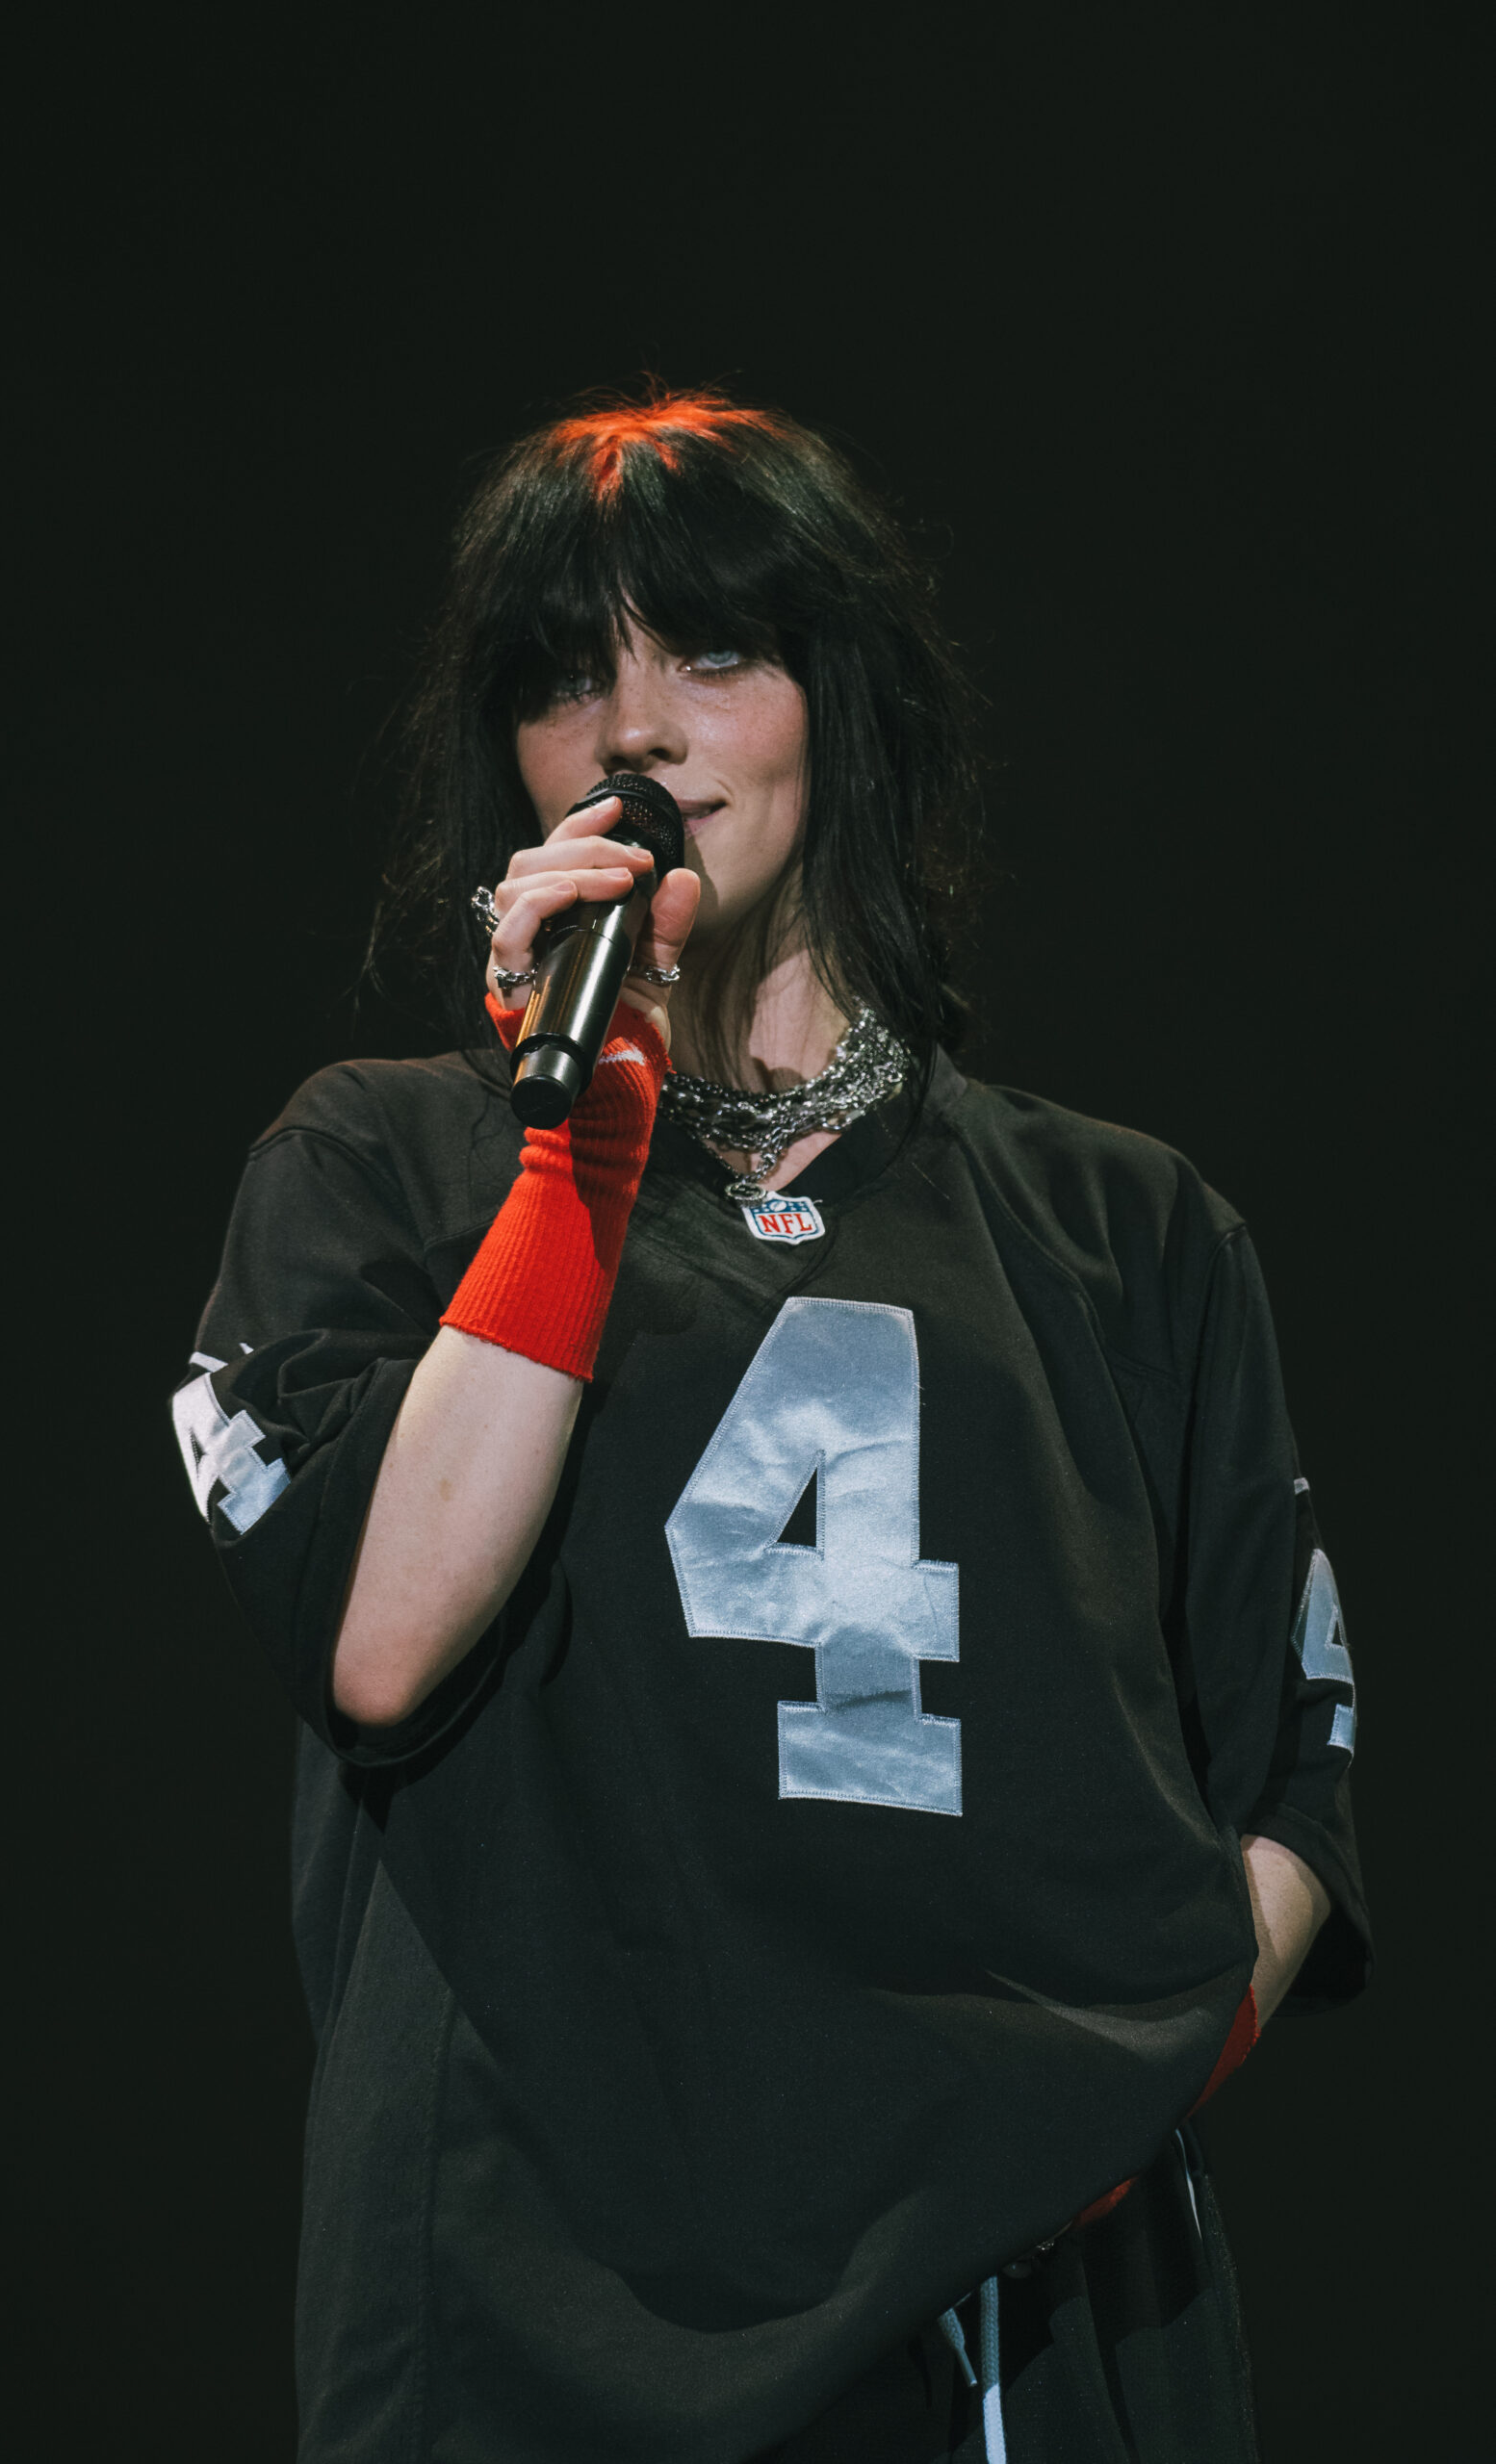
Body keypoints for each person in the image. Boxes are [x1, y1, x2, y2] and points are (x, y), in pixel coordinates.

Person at [171, 392, 1369, 2463]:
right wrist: (584, 1140)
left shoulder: (1126, 1229)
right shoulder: (382, 1168)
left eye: (713, 652)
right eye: (567, 676)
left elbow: (1286, 1785)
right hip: (540, 2318)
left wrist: (1087, 2126)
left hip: (1018, 2333)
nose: (635, 732)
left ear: (839, 702)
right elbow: (381, 1628)